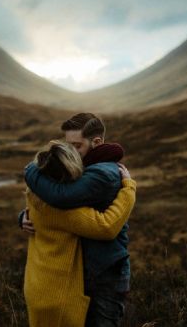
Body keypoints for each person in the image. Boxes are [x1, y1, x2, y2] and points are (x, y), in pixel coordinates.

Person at [20, 113, 133, 326]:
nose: (71, 151)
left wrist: (30, 170)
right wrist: (25, 216)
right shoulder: (84, 166)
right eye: (68, 145)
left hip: (105, 272)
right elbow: (53, 205)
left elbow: (61, 198)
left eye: (76, 146)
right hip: (87, 270)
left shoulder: (101, 174)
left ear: (96, 142)